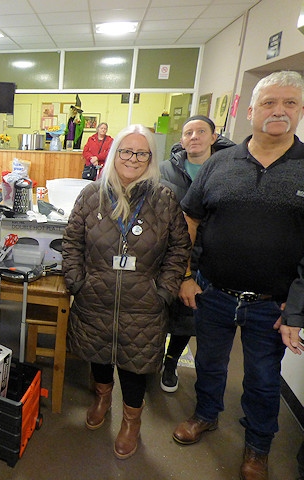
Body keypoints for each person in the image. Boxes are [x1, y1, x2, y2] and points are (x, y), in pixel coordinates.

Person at [172, 71, 304, 480]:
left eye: (289, 103)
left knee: (263, 380)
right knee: (210, 364)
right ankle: (205, 415)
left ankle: (257, 446)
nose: (278, 111)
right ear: (250, 111)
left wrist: (298, 311)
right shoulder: (219, 163)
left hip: (272, 303)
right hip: (213, 293)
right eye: (268, 103)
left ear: (300, 110)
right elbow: (189, 220)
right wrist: (186, 275)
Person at [62, 124, 191, 460]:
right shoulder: (92, 194)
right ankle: (103, 397)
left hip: (145, 303)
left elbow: (179, 249)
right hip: (96, 296)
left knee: (135, 367)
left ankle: (132, 421)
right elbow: (72, 241)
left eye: (141, 152)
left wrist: (163, 291)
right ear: (114, 154)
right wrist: (77, 281)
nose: (132, 158)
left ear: (151, 158)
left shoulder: (164, 200)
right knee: (99, 355)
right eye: (126, 151)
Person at [158, 115, 235, 392]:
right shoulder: (166, 170)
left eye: (201, 131)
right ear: (181, 140)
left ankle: (170, 362)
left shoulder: (230, 168)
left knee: (189, 314)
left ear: (214, 137)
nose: (194, 137)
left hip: (209, 253)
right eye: (188, 133)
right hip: (167, 251)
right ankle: (152, 358)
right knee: (160, 308)